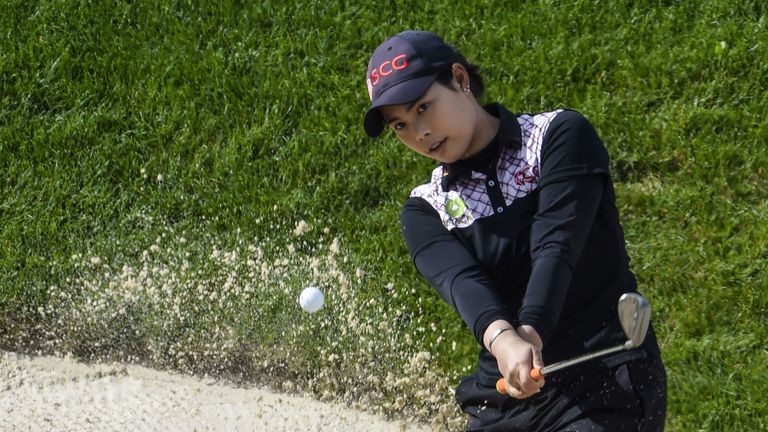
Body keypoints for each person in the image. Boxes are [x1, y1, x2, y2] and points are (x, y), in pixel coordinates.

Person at [362, 31, 667, 431]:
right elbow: (465, 285)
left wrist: (530, 333)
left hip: (603, 378)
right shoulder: (426, 209)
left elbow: (556, 244)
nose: (419, 132)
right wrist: (505, 342)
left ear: (459, 78)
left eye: (423, 107)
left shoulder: (557, 137)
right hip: (506, 395)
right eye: (400, 125)